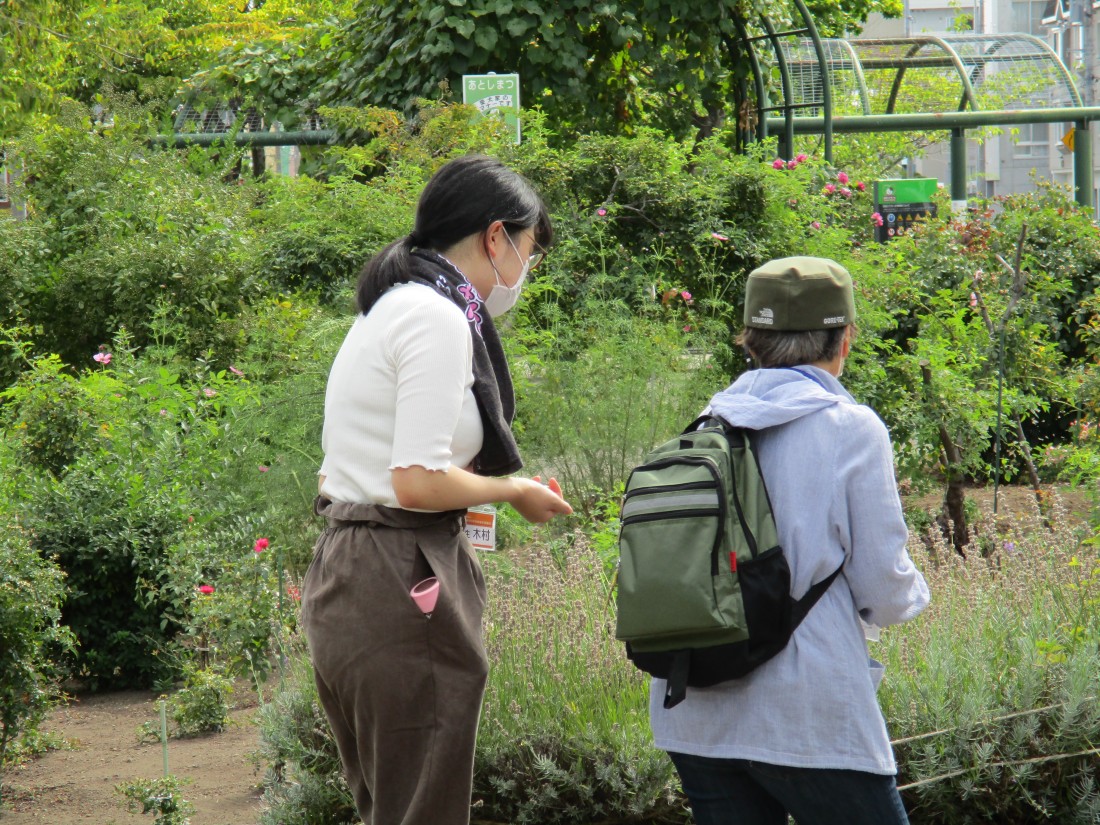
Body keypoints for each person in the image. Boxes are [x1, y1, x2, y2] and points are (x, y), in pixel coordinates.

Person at [301, 154, 573, 825]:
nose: (525, 271)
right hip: (399, 572)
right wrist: (512, 490)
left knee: (396, 804)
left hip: (363, 568)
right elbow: (417, 482)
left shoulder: (395, 304)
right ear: (494, 237)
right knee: (423, 807)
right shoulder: (436, 316)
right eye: (529, 250)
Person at [649, 256, 930, 825]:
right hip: (809, 714)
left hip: (694, 710)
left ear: (750, 338)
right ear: (844, 337)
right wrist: (915, 596)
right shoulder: (851, 429)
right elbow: (883, 586)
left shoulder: (708, 421)